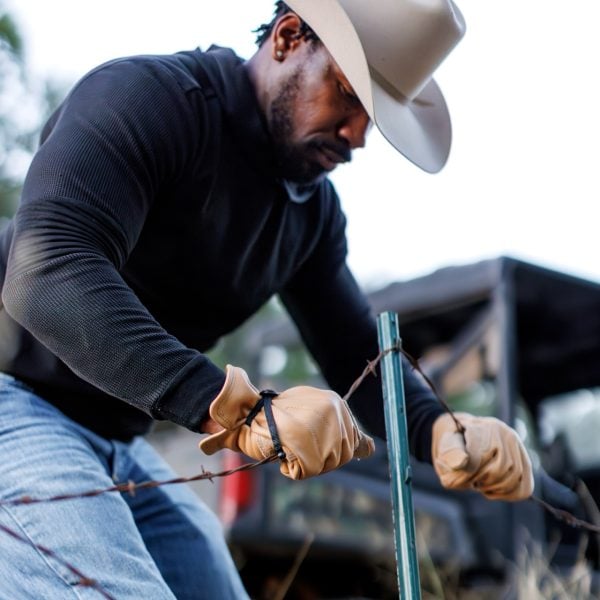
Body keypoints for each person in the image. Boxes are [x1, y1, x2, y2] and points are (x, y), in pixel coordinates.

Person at [0, 1, 534, 598]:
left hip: (118, 440)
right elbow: (47, 273)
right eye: (349, 93)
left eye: (375, 117)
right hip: (13, 400)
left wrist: (438, 429)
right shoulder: (148, 101)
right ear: (287, 38)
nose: (358, 136)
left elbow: (353, 348)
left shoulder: (309, 215)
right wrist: (239, 411)